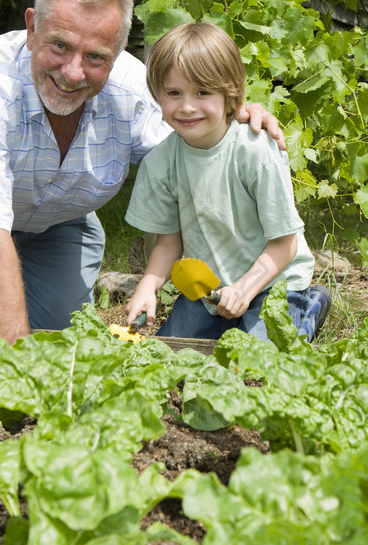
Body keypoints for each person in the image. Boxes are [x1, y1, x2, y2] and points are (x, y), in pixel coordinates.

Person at [0, 0, 285, 342]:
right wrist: (18, 375)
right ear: (32, 28)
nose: (72, 73)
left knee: (63, 343)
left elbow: (194, 143)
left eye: (96, 57)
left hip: (55, 223)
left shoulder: (135, 92)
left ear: (119, 52)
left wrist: (235, 117)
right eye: (61, 46)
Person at [125, 21, 331, 342]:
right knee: (170, 354)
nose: (187, 106)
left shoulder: (255, 150)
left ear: (229, 92)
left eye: (202, 92)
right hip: (212, 287)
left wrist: (245, 290)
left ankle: (309, 306)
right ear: (158, 93)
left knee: (257, 365)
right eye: (174, 93)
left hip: (274, 278)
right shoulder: (159, 164)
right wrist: (148, 286)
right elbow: (168, 243)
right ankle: (232, 318)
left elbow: (285, 243)